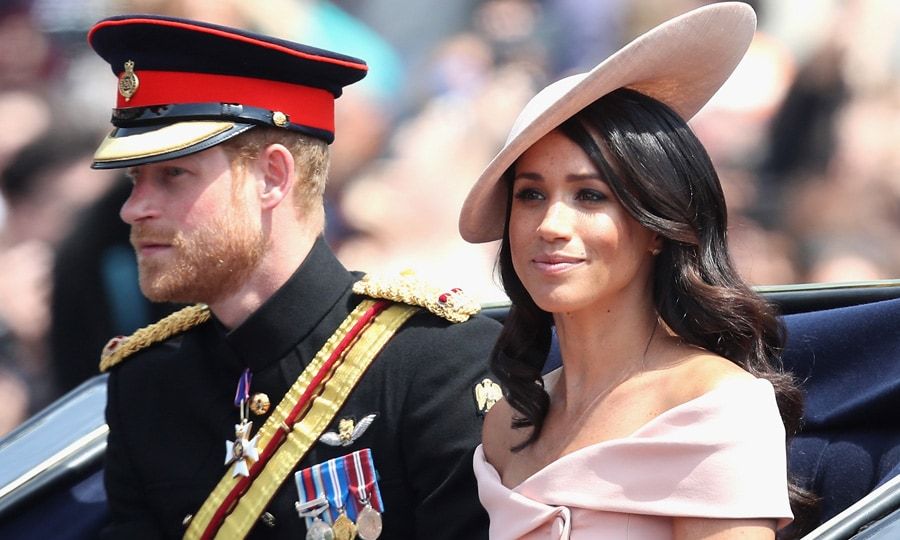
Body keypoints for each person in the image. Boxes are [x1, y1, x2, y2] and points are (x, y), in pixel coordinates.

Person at [86, 14, 501, 539]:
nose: (134, 209)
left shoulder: (439, 364)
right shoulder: (146, 382)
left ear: (272, 177)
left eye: (173, 174)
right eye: (134, 179)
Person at [458, 4, 813, 539]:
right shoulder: (506, 424)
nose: (551, 224)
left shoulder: (711, 403)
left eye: (590, 195)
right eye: (530, 194)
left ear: (656, 225)